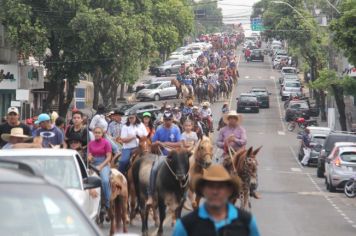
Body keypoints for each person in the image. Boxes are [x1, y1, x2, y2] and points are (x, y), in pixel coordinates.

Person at [173, 164, 260, 236]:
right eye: (210, 186)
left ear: (229, 190)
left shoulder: (246, 222)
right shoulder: (186, 225)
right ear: (202, 189)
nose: (215, 191)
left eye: (220, 187)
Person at [146, 111, 183, 206]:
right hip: (162, 155)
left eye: (169, 119)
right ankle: (150, 195)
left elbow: (179, 143)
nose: (167, 121)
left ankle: (183, 193)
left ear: (172, 120)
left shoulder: (176, 129)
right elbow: (152, 143)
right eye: (166, 120)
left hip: (174, 156)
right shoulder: (159, 129)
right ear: (163, 120)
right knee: (153, 170)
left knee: (184, 169)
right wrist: (157, 143)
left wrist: (165, 143)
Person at [87, 127, 112, 210]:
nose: (97, 134)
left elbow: (109, 157)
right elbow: (89, 155)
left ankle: (108, 202)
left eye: (99, 132)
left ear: (102, 134)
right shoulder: (90, 143)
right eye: (96, 132)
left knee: (105, 180)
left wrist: (101, 166)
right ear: (93, 133)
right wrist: (89, 157)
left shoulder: (106, 143)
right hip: (93, 164)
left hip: (104, 163)